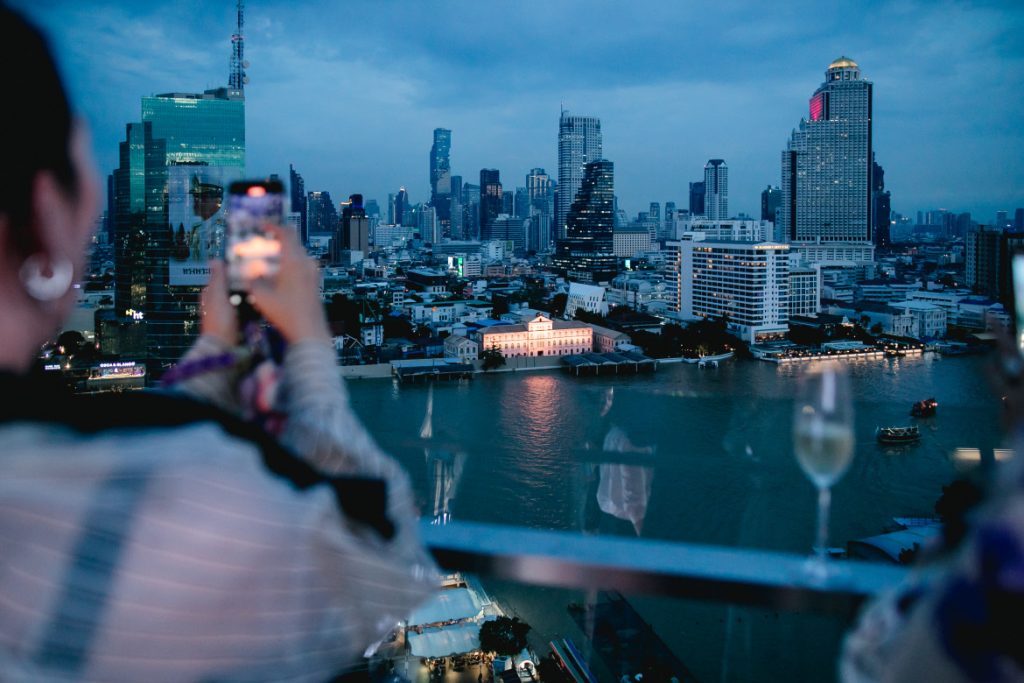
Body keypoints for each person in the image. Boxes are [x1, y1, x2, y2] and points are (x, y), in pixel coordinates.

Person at [0, 7, 436, 681]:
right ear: (46, 213)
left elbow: (108, 451)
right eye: (83, 162)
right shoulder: (168, 506)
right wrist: (310, 345)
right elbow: (392, 566)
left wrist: (214, 351)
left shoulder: (54, 461)